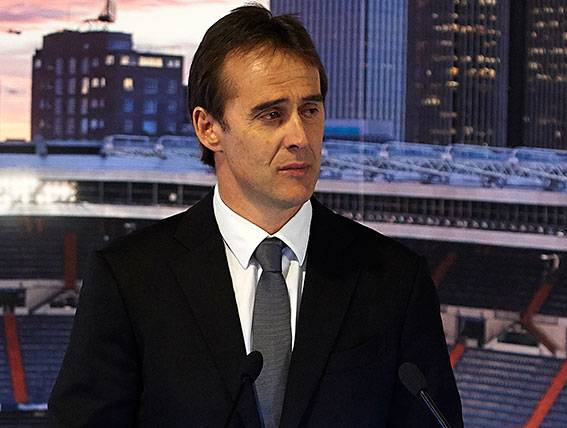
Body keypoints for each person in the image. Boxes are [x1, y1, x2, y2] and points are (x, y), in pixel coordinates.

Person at [50, 4, 462, 427]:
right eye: (271, 115)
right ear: (208, 128)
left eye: (310, 110)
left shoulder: (395, 280)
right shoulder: (129, 280)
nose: (299, 137)